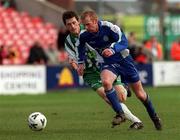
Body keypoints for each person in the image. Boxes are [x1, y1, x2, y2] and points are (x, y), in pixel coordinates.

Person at [77, 10, 162, 130]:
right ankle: (120, 114)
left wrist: (112, 49)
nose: (85, 27)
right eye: (84, 25)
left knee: (141, 95)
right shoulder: (84, 35)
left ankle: (155, 117)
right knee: (106, 82)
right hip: (108, 63)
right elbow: (80, 46)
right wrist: (80, 62)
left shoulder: (109, 27)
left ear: (95, 21)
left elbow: (124, 41)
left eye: (88, 24)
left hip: (124, 61)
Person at [62, 11, 143, 129]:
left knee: (121, 98)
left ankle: (125, 87)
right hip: (90, 73)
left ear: (79, 21)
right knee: (107, 97)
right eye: (69, 24)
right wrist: (77, 67)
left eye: (74, 23)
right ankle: (136, 121)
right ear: (66, 26)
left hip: (106, 65)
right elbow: (73, 60)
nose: (72, 26)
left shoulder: (91, 31)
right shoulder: (69, 42)